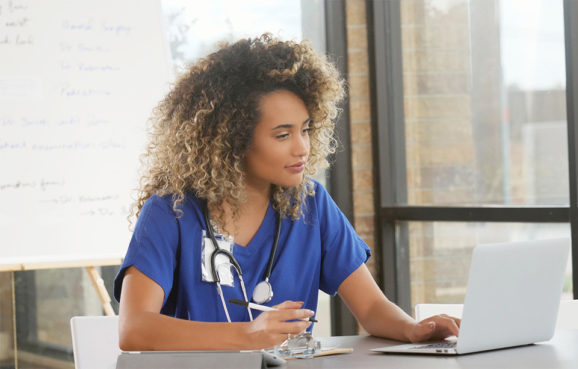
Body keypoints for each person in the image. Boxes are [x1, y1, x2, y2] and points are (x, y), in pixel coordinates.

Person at [115, 33, 460, 351]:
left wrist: (413, 329)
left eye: (306, 130)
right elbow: (134, 329)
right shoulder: (171, 211)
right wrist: (249, 335)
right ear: (232, 141)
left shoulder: (310, 203)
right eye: (283, 135)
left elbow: (370, 307)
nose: (302, 148)